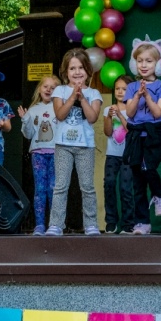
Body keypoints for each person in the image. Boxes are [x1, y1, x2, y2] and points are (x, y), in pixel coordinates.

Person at [48, 48, 102, 236]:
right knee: (60, 186)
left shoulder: (94, 93)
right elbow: (60, 115)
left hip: (85, 146)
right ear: (66, 72)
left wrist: (82, 98)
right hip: (63, 145)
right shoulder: (60, 90)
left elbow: (92, 117)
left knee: (87, 187)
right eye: (72, 68)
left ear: (88, 70)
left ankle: (91, 224)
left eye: (81, 68)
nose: (77, 72)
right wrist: (72, 97)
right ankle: (56, 224)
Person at [123, 41, 161, 234]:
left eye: (149, 61)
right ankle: (142, 222)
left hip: (154, 133)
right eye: (140, 61)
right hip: (136, 135)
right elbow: (130, 112)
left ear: (158, 64)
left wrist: (148, 97)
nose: (143, 65)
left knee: (148, 167)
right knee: (138, 180)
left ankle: (159, 193)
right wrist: (137, 95)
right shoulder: (132, 87)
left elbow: (158, 112)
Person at [20, 76, 59, 235]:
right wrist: (25, 120)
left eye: (53, 87)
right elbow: (28, 134)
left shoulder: (60, 108)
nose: (48, 90)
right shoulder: (33, 109)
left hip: (56, 153)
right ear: (39, 89)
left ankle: (55, 224)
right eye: (45, 86)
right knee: (40, 189)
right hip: (38, 153)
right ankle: (40, 225)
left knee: (54, 189)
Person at [99, 74, 133, 233]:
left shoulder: (133, 111)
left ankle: (128, 224)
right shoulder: (108, 109)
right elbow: (107, 132)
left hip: (128, 155)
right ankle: (111, 222)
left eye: (124, 89)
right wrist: (108, 117)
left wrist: (119, 115)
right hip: (112, 154)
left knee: (126, 188)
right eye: (117, 89)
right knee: (109, 184)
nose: (120, 92)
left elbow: (131, 130)